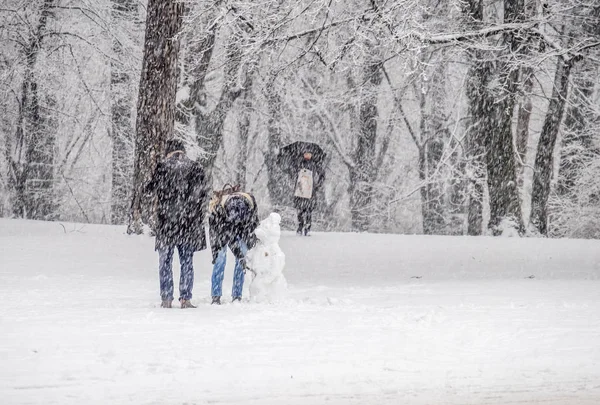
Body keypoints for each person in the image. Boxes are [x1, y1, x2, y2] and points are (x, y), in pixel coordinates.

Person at [145, 139, 206, 309]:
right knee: (186, 261)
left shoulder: (162, 166)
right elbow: (201, 196)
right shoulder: (196, 167)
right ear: (183, 151)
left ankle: (166, 298)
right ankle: (185, 298)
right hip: (187, 224)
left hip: (166, 224)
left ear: (169, 151)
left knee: (165, 262)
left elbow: (149, 189)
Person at [208, 185, 259, 304]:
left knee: (240, 259)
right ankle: (218, 295)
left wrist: (249, 247)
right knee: (221, 259)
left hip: (241, 229)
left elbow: (254, 228)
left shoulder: (249, 207)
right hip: (220, 230)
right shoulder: (219, 211)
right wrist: (239, 255)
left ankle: (235, 295)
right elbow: (227, 236)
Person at [293, 152, 325, 236]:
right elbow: (293, 174)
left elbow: (322, 175)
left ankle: (307, 228)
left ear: (311, 155)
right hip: (300, 190)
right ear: (303, 154)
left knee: (308, 211)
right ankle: (300, 227)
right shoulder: (298, 163)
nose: (307, 155)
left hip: (310, 191)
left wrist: (317, 185)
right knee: (299, 211)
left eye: (309, 154)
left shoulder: (315, 164)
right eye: (305, 154)